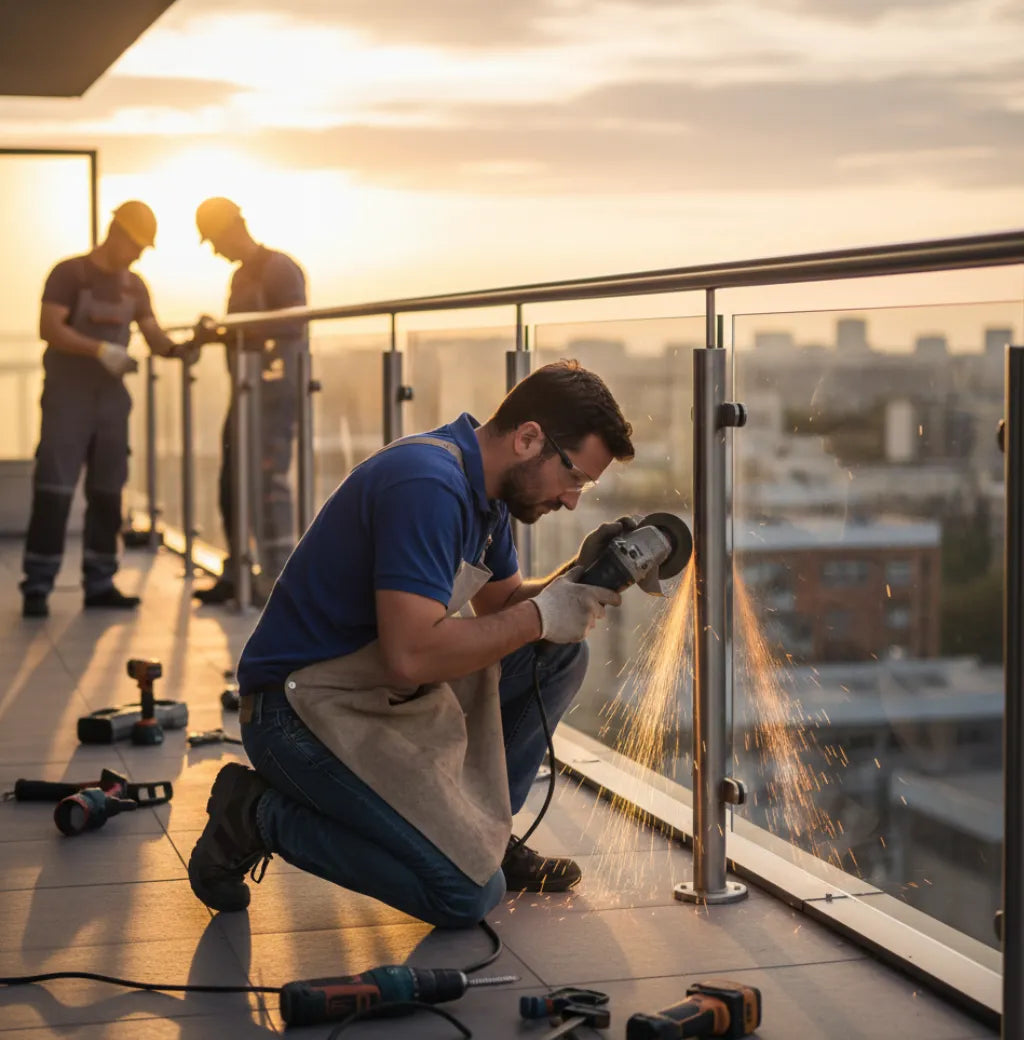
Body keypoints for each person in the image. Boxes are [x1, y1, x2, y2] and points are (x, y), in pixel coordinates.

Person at [187, 360, 636, 926]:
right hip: (295, 712)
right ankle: (255, 815)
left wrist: (583, 574)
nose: (573, 499)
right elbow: (412, 656)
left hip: (376, 694)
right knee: (462, 895)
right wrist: (546, 614)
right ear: (528, 439)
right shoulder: (427, 484)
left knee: (559, 652)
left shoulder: (488, 494)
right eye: (574, 478)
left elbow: (503, 608)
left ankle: (487, 837)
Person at [21, 201, 180, 619]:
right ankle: (37, 584)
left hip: (111, 402)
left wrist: (184, 347)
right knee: (54, 489)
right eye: (137, 244)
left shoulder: (135, 286)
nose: (141, 253)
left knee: (108, 492)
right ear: (117, 233)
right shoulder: (69, 274)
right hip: (67, 399)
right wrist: (100, 349)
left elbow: (152, 332)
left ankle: (100, 581)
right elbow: (49, 327)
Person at [191, 197, 308, 606]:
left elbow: (293, 323)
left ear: (230, 228)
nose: (214, 250)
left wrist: (236, 331)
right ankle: (239, 570)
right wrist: (218, 332)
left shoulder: (279, 269)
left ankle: (277, 580)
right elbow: (244, 335)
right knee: (232, 485)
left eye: (213, 239)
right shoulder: (241, 278)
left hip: (275, 395)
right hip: (246, 394)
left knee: (267, 485)